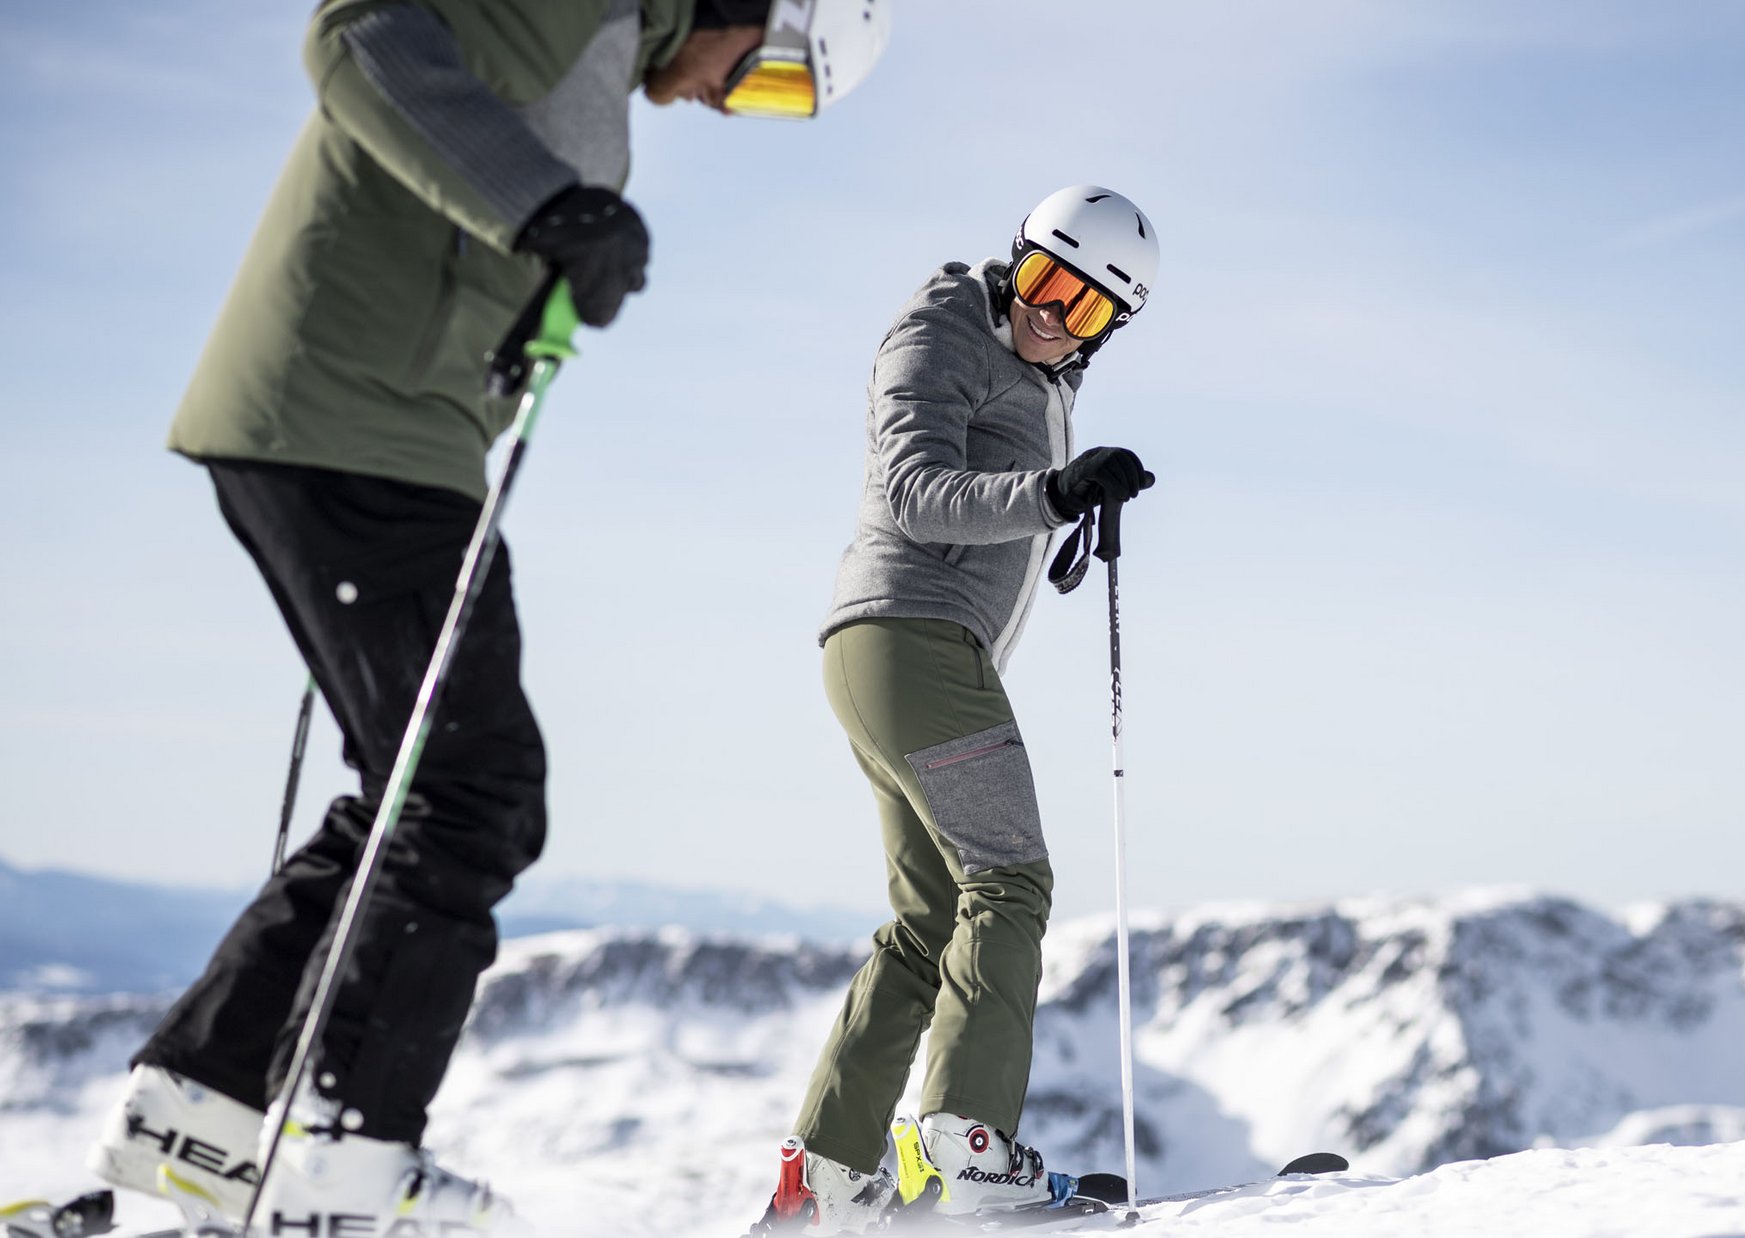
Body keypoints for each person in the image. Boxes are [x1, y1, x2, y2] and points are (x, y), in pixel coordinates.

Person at [82, 0, 891, 1231]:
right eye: (767, 78)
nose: (725, 102)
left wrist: (527, 268)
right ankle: (341, 1160)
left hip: (380, 430)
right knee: (474, 790)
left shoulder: (612, 52)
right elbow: (359, 35)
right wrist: (547, 209)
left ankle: (204, 1109)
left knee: (419, 786)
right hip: (347, 424)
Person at [755, 186, 1162, 1235]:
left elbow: (996, 495)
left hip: (896, 650)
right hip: (912, 641)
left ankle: (827, 1178)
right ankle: (970, 1150)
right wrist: (1052, 495)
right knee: (1009, 879)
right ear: (1013, 259)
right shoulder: (942, 328)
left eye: (1086, 310)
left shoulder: (1033, 371)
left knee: (929, 918)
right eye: (1043, 282)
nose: (1053, 315)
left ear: (1109, 327)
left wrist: (1059, 522)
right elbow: (914, 490)